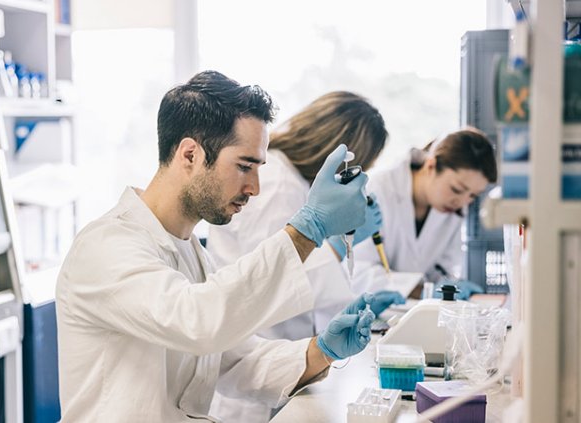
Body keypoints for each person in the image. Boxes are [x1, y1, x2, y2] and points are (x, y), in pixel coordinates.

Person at [55, 70, 377, 422]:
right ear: (190, 155)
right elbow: (197, 321)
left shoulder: (191, 253)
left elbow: (237, 359)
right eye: (244, 166)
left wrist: (322, 351)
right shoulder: (107, 247)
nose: (254, 187)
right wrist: (308, 228)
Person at [206, 91, 405, 422]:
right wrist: (340, 244)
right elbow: (280, 276)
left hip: (275, 358)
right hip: (249, 369)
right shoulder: (277, 183)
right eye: (359, 166)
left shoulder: (291, 179)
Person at [352, 128, 497, 299]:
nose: (462, 202)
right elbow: (359, 272)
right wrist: (423, 291)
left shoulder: (453, 208)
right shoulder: (377, 190)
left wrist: (447, 287)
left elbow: (443, 269)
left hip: (415, 313)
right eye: (456, 189)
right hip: (368, 311)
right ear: (431, 166)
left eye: (473, 195)